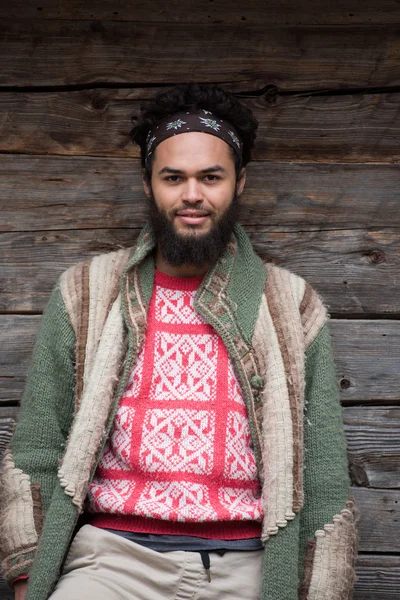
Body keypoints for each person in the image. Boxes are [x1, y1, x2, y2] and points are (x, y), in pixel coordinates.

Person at [1, 83, 359, 600]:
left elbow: (325, 476)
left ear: (239, 184)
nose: (192, 194)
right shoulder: (87, 292)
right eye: (174, 177)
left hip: (252, 568)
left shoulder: (290, 304)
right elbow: (35, 447)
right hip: (113, 562)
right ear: (149, 185)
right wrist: (28, 577)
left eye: (210, 177)